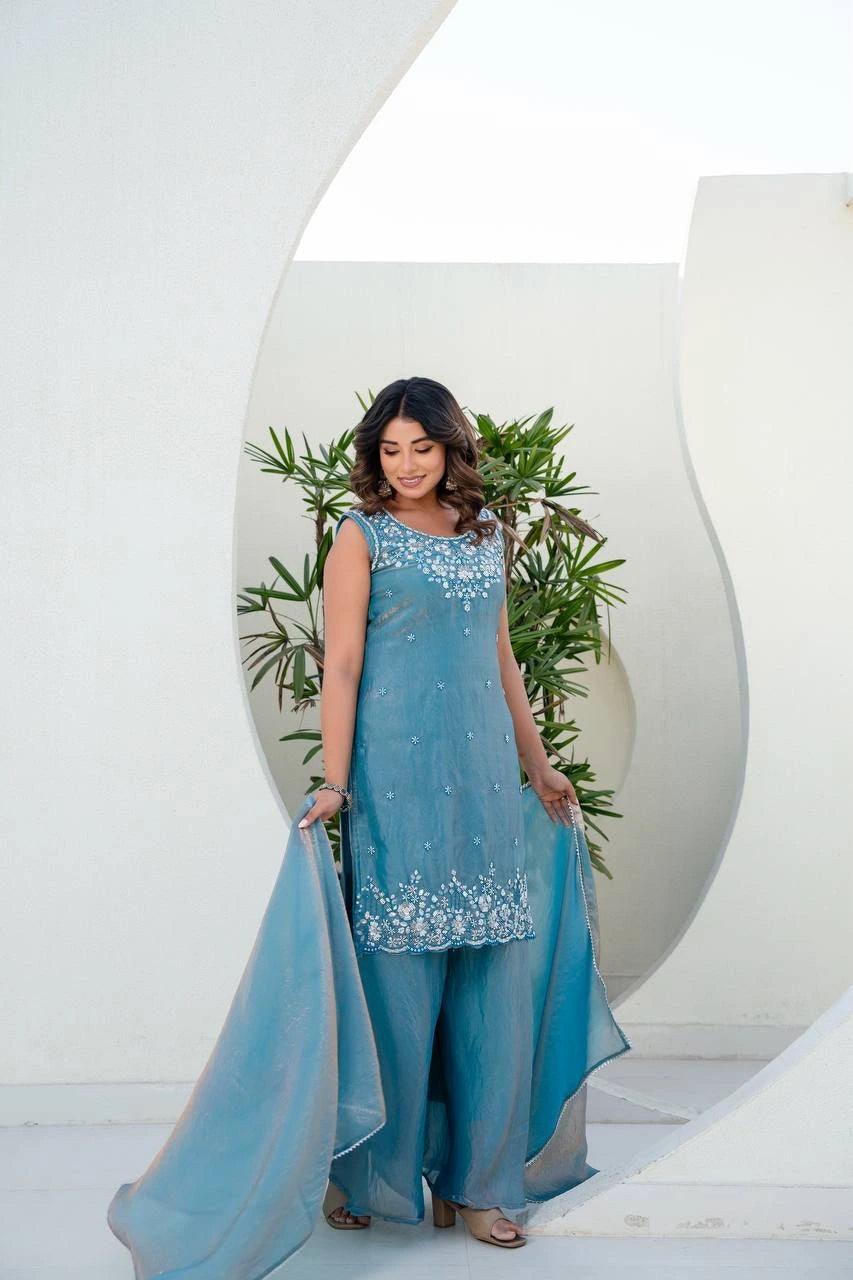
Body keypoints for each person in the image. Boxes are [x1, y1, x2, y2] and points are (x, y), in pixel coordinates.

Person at [298, 375, 580, 1249]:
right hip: (395, 783)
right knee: (396, 990)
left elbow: (501, 658)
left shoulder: (483, 532)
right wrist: (337, 783)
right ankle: (371, 1173)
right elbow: (339, 665)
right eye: (390, 449)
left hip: (484, 777)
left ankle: (483, 1187)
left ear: (450, 447)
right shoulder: (361, 535)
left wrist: (538, 767)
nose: (407, 464)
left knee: (492, 989)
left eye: (422, 447)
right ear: (373, 456)